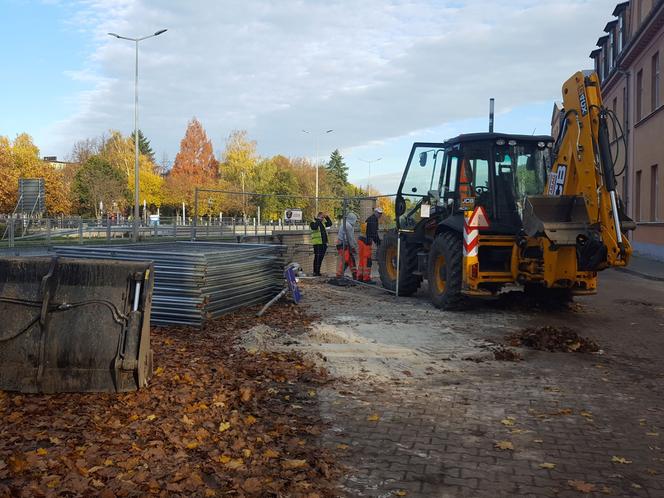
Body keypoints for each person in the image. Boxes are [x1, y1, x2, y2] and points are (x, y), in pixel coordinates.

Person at [358, 207, 383, 283]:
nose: (380, 215)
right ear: (375, 212)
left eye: (381, 213)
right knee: (367, 260)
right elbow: (374, 233)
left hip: (361, 240)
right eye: (379, 213)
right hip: (366, 242)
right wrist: (379, 243)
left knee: (362, 260)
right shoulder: (373, 220)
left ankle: (360, 277)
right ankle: (366, 278)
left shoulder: (369, 219)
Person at [336, 212, 358, 280]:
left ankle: (353, 275)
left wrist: (353, 245)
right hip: (343, 245)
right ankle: (340, 275)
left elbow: (351, 237)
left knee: (350, 260)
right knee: (345, 260)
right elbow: (350, 238)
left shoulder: (346, 225)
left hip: (343, 244)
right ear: (353, 219)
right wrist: (353, 247)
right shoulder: (348, 226)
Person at [309, 211, 332, 276]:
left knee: (321, 258)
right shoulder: (312, 223)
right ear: (318, 217)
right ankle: (315, 272)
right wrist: (318, 219)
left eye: (323, 217)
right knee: (317, 257)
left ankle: (318, 272)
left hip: (324, 243)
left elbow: (330, 223)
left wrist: (327, 217)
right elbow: (314, 227)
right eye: (321, 217)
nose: (322, 219)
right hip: (317, 243)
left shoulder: (323, 224)